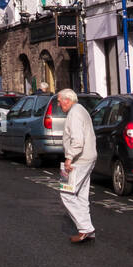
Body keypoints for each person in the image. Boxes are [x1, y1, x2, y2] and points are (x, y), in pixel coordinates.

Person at [57, 89, 97, 243]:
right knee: (81, 194)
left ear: (68, 100)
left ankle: (85, 229)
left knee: (66, 193)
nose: (59, 104)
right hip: (88, 157)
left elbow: (78, 141)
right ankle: (87, 229)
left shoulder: (74, 113)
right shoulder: (81, 110)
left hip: (78, 160)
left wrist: (69, 158)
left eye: (60, 101)